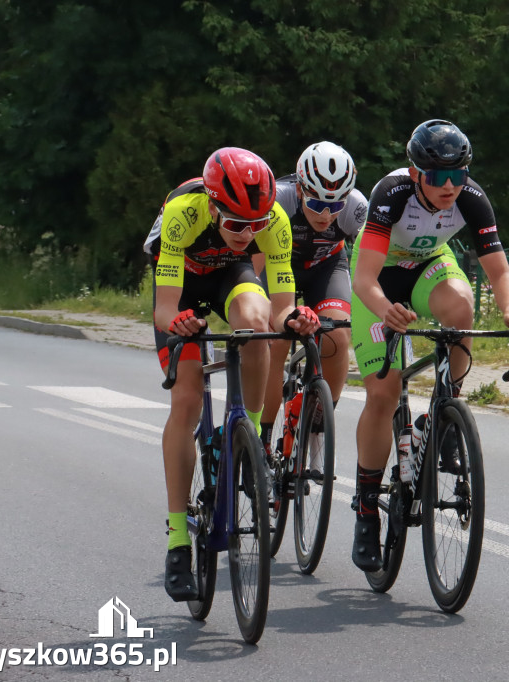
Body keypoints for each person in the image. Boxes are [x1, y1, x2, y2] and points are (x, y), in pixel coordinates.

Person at [348, 119, 509, 571]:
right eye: (438, 177)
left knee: (462, 308)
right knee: (383, 392)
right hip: (380, 280)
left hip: (429, 264)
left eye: (459, 174)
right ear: (416, 174)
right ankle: (367, 509)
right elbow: (364, 278)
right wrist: (385, 308)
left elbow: (500, 272)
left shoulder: (470, 197)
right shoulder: (390, 193)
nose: (450, 186)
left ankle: (446, 412)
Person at [143, 147, 320, 601]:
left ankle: (252, 438)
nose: (248, 233)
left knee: (257, 323)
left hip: (228, 277)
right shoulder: (184, 212)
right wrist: (179, 323)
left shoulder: (272, 220)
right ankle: (179, 540)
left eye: (257, 224)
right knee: (185, 402)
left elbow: (281, 309)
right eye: (238, 224)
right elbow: (166, 308)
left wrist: (296, 318)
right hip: (182, 284)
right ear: (214, 206)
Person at [258, 141, 367, 470]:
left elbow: (372, 264)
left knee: (337, 339)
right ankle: (261, 440)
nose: (325, 214)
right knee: (274, 343)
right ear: (302, 188)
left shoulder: (357, 208)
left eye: (335, 205)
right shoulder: (277, 198)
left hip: (326, 268)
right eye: (318, 201)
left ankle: (318, 421)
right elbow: (256, 262)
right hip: (279, 269)